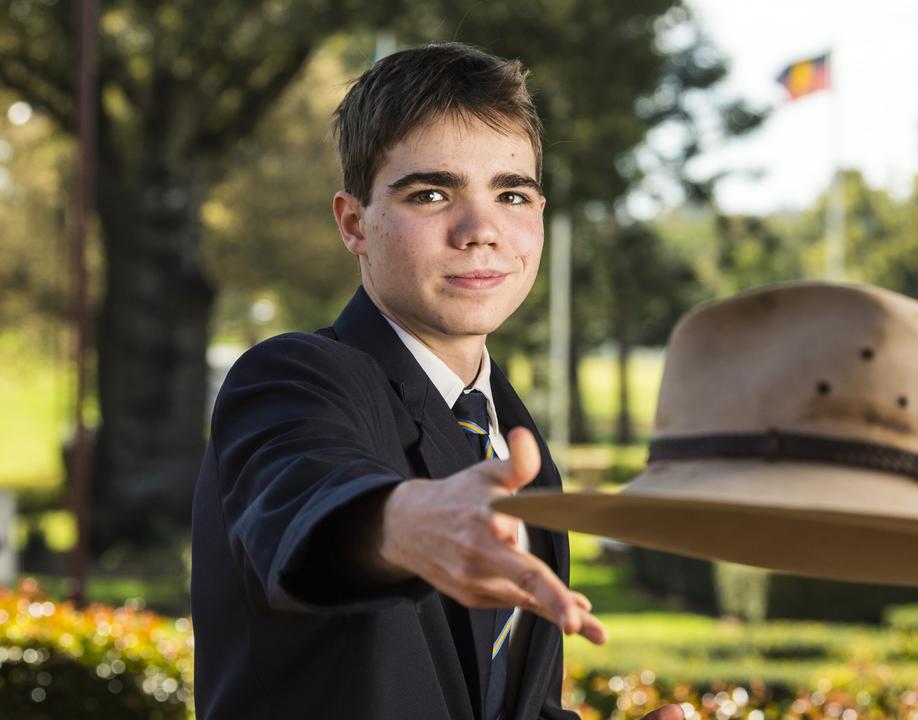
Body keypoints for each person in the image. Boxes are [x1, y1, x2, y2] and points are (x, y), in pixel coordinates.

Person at [191, 43, 680, 720]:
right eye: (431, 193)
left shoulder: (512, 443)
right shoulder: (292, 378)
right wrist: (401, 524)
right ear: (354, 223)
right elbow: (309, 498)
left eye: (512, 193)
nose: (482, 231)